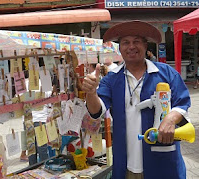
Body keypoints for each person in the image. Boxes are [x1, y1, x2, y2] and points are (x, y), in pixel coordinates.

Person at [82, 21, 191, 179]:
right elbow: (96, 111)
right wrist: (91, 92)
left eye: (136, 41)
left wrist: (171, 118)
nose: (131, 46)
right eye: (126, 42)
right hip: (127, 166)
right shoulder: (111, 79)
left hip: (163, 162)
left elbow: (183, 102)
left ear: (146, 46)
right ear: (120, 48)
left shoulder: (166, 73)